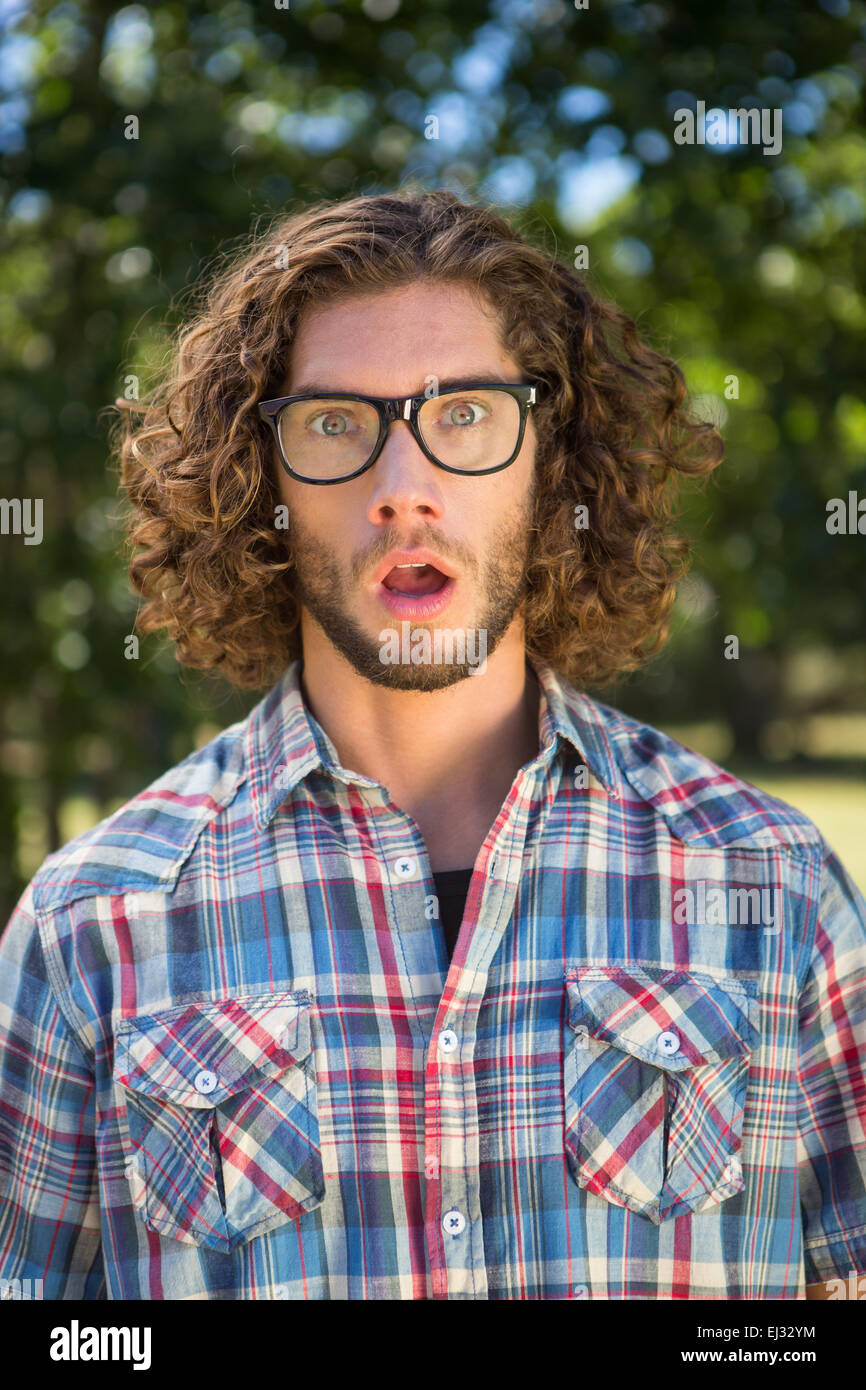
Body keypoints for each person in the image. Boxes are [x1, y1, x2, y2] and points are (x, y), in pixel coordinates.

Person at [0, 189, 863, 1301]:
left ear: (549, 456)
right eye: (332, 424)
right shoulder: (91, 928)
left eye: (462, 413)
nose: (401, 490)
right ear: (258, 482)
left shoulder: (773, 886)